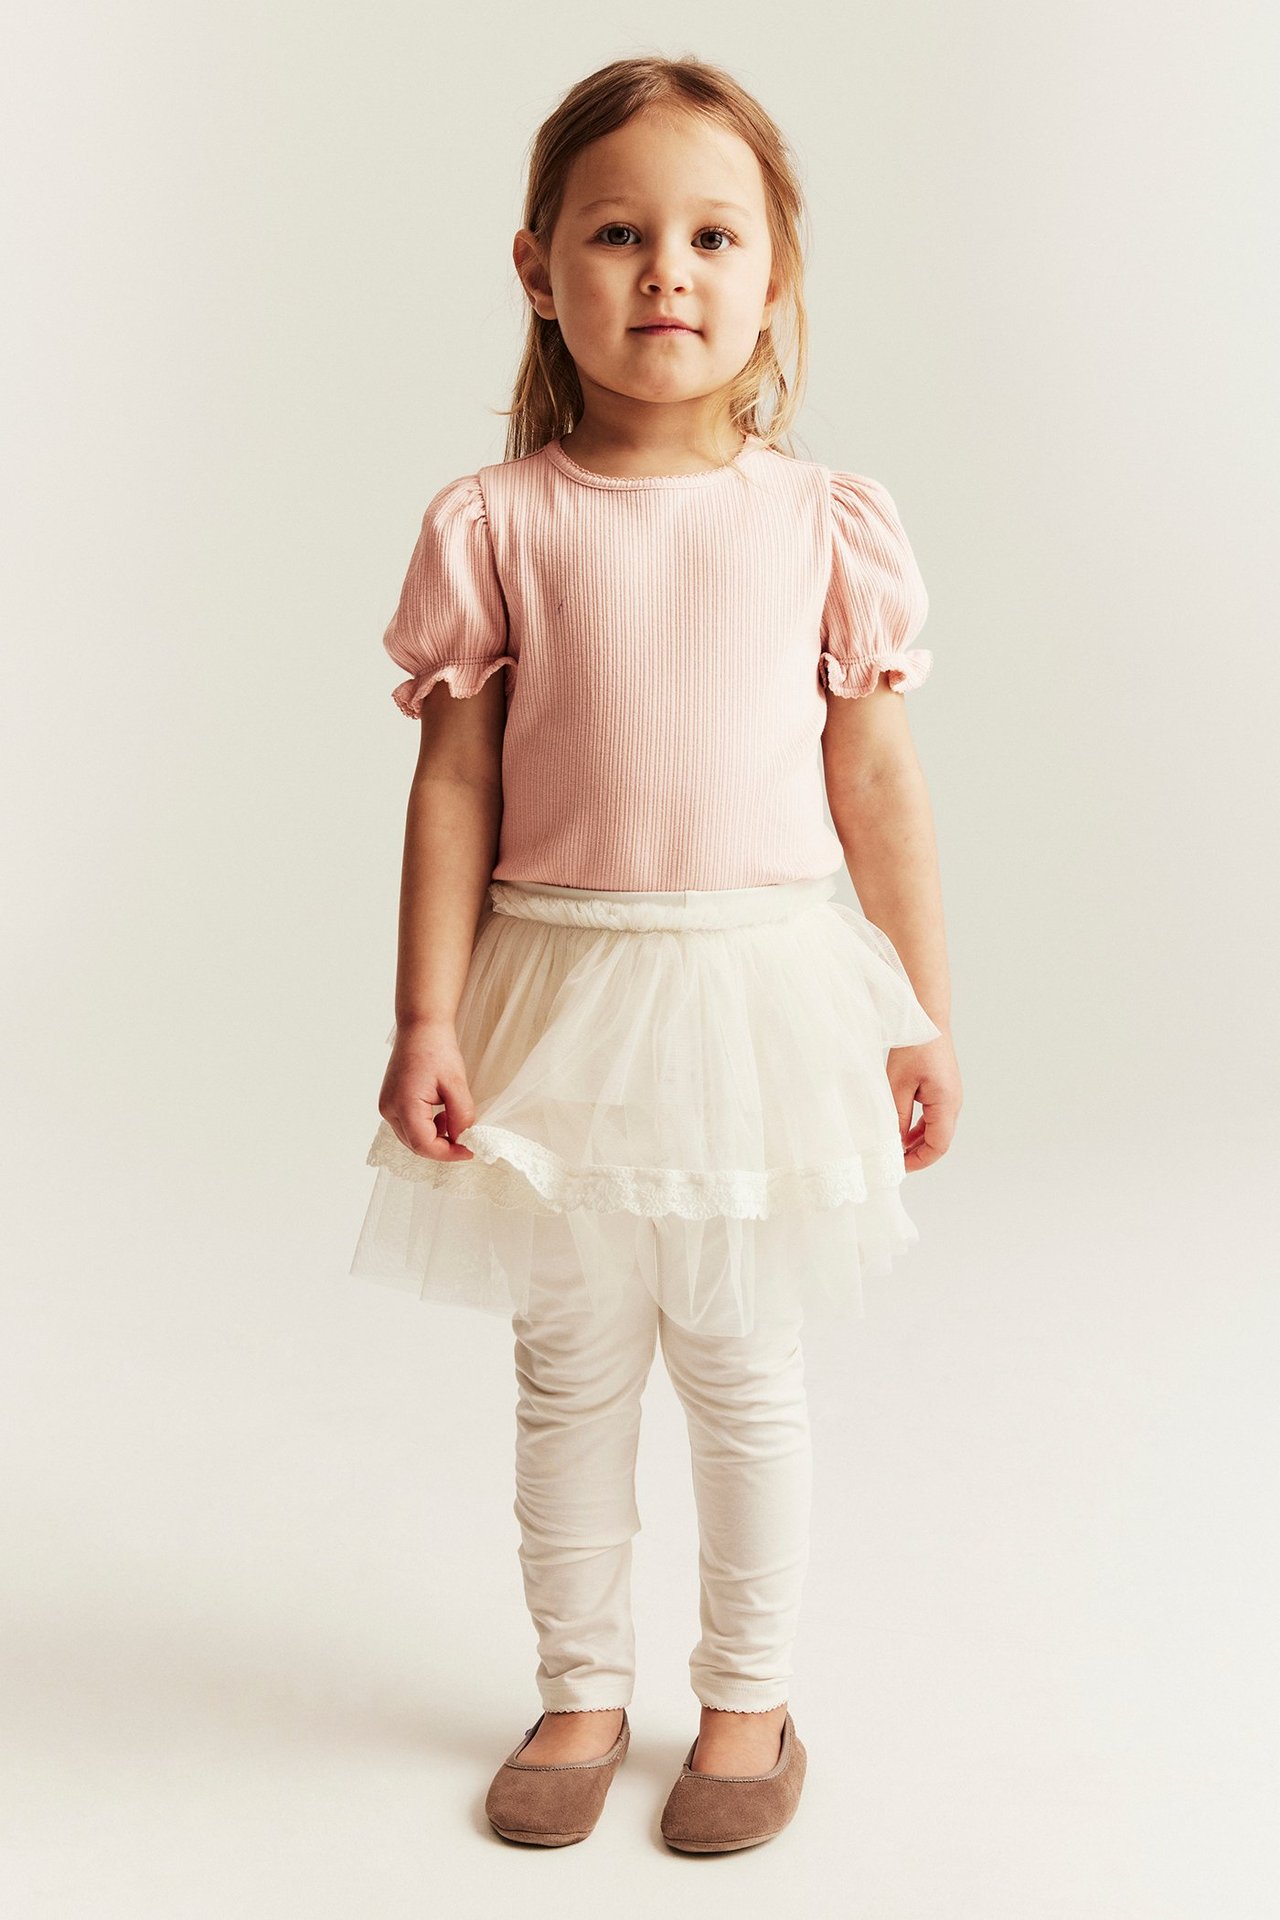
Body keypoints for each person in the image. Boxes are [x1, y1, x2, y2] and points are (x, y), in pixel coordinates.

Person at [349, 54, 963, 1853]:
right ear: (540, 266)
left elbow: (878, 779)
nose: (666, 272)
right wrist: (426, 1012)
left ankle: (749, 1704)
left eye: (712, 235)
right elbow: (456, 777)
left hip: (755, 992)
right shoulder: (500, 521)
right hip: (561, 988)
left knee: (741, 1359)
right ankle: (579, 1687)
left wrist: (917, 1015)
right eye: (619, 234)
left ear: (774, 279)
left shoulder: (818, 524)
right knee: (570, 1360)